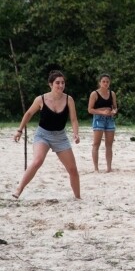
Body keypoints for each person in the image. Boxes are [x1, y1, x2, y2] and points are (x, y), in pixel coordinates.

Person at [11, 70, 81, 199]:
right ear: (50, 84)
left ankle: (78, 197)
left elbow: (74, 119)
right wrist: (19, 130)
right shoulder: (41, 99)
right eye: (57, 83)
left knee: (72, 169)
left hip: (60, 136)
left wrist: (76, 134)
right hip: (42, 135)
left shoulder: (69, 99)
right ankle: (19, 189)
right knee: (38, 161)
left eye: (63, 83)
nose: (60, 85)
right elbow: (28, 114)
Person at [87, 73, 118, 172]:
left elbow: (115, 107)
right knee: (96, 144)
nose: (105, 83)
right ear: (100, 82)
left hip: (109, 119)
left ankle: (109, 167)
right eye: (103, 81)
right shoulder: (94, 94)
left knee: (109, 144)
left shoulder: (112, 94)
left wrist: (114, 111)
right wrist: (101, 112)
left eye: (107, 82)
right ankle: (96, 168)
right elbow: (90, 109)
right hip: (98, 118)